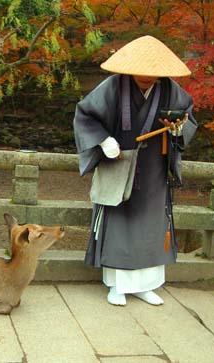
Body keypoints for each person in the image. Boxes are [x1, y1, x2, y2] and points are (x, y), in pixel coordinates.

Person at [73, 35, 198, 306]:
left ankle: (146, 285)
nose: (148, 79)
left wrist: (177, 128)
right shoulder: (113, 87)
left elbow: (188, 118)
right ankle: (116, 286)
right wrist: (104, 140)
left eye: (154, 75)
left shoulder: (169, 89)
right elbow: (85, 115)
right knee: (118, 223)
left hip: (154, 166)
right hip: (118, 161)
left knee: (151, 225)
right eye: (143, 74)